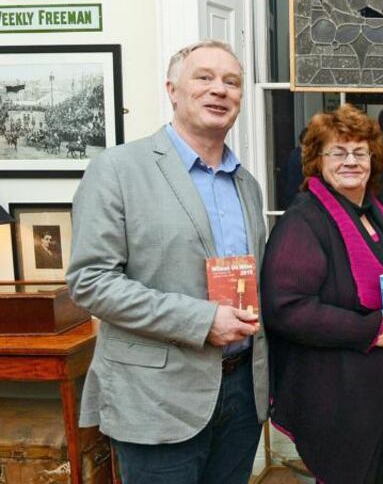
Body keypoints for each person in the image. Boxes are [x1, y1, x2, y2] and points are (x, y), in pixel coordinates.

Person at [66, 40, 268, 483]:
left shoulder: (247, 185)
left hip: (240, 392)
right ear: (172, 90)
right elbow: (91, 281)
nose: (220, 90)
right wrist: (200, 320)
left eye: (231, 82)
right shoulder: (117, 169)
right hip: (155, 397)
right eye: (204, 77)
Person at [261, 104, 383, 484]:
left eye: (360, 152)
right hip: (347, 406)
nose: (351, 161)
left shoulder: (375, 213)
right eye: (337, 152)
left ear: (374, 159)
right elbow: (287, 308)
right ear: (316, 160)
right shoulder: (305, 220)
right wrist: (371, 330)